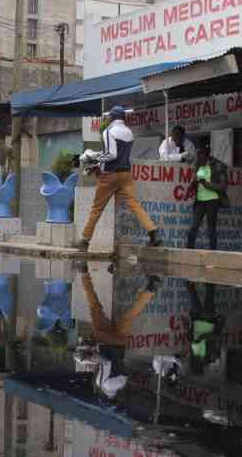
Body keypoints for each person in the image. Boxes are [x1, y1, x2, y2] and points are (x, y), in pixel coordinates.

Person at [75, 105, 162, 250]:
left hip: (110, 175)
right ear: (123, 118)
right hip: (126, 175)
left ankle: (85, 241)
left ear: (112, 117)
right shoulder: (129, 132)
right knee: (134, 205)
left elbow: (112, 154)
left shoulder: (109, 131)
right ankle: (153, 232)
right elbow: (118, 154)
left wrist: (95, 161)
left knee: (96, 209)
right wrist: (99, 158)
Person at [73, 264, 161, 398]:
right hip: (104, 341)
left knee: (130, 316)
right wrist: (90, 356)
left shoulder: (122, 383)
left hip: (120, 344)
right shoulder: (101, 383)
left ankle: (150, 289)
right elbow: (105, 362)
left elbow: (119, 365)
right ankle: (84, 273)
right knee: (94, 305)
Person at [186, 143, 228, 251]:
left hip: (212, 202)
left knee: (211, 229)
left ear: (207, 155)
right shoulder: (198, 164)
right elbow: (196, 180)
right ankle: (188, 251)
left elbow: (223, 187)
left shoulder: (218, 166)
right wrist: (191, 186)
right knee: (193, 227)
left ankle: (212, 253)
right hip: (199, 201)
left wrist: (206, 184)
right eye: (197, 154)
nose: (198, 157)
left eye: (201, 154)